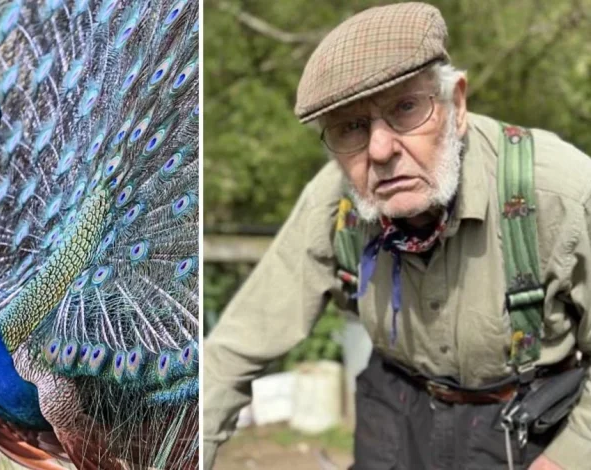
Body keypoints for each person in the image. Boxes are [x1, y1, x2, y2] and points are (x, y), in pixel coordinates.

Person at [202, 3, 591, 469]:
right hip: (395, 410)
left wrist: (568, 458)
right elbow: (234, 349)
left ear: (457, 105)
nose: (381, 150)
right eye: (351, 127)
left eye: (405, 108)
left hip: (524, 425)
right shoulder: (335, 203)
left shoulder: (558, 194)